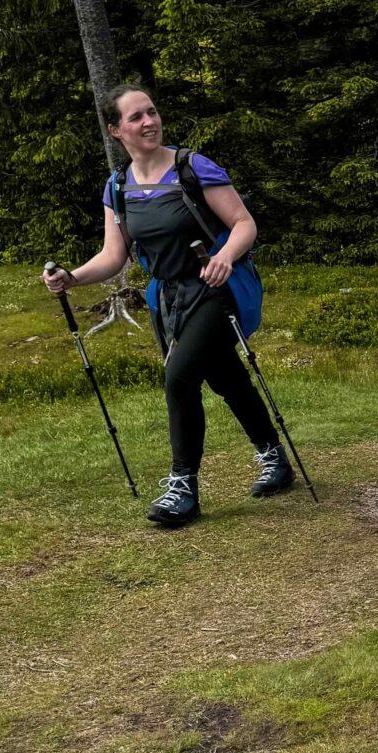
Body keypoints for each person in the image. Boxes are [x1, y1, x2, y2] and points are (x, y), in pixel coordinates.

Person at [42, 83, 294, 528]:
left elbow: (243, 223)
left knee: (179, 375)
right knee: (224, 374)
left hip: (218, 287)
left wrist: (224, 256)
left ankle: (183, 487)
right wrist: (72, 278)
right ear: (115, 130)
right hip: (170, 298)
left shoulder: (192, 168)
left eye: (152, 112)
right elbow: (114, 255)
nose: (149, 122)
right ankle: (274, 457)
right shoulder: (118, 186)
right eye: (136, 117)